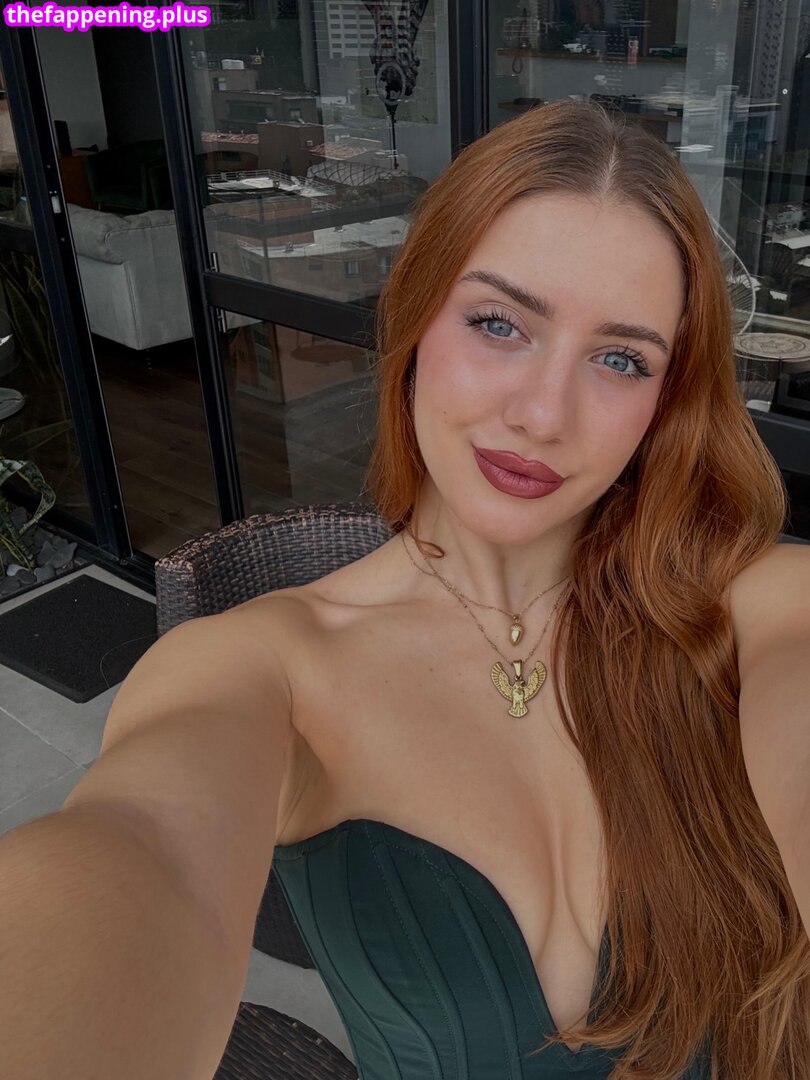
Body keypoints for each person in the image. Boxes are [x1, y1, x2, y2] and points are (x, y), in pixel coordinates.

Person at [2, 99, 809, 1079]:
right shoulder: (264, 668)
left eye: (619, 359)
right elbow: (139, 851)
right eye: (499, 323)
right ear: (415, 319)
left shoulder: (748, 607)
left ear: (666, 398)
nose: (543, 414)